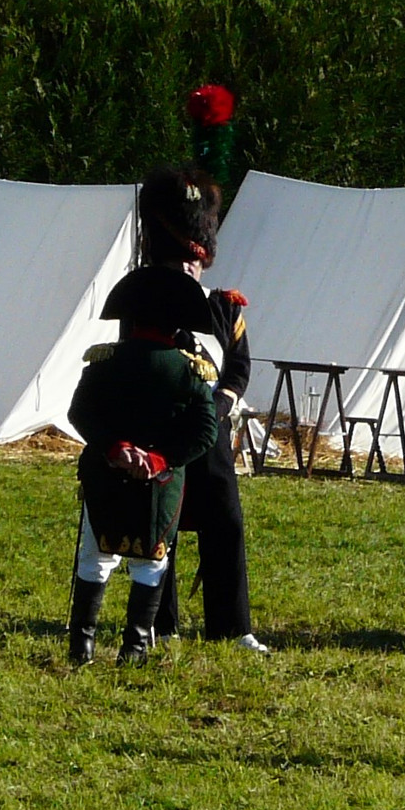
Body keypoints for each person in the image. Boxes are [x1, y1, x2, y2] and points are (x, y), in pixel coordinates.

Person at [146, 86, 268, 654]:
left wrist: (218, 408)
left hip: (211, 432)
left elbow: (237, 368)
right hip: (163, 428)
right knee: (159, 525)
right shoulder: (145, 299)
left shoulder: (224, 306)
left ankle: (232, 624)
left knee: (227, 524)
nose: (193, 262)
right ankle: (158, 620)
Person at [66, 262, 229, 667]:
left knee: (95, 555)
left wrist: (114, 447)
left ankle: (81, 647)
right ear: (177, 326)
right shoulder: (192, 371)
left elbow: (80, 413)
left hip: (106, 474)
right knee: (151, 561)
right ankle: (134, 649)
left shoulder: (104, 360)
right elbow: (205, 432)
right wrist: (159, 459)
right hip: (160, 481)